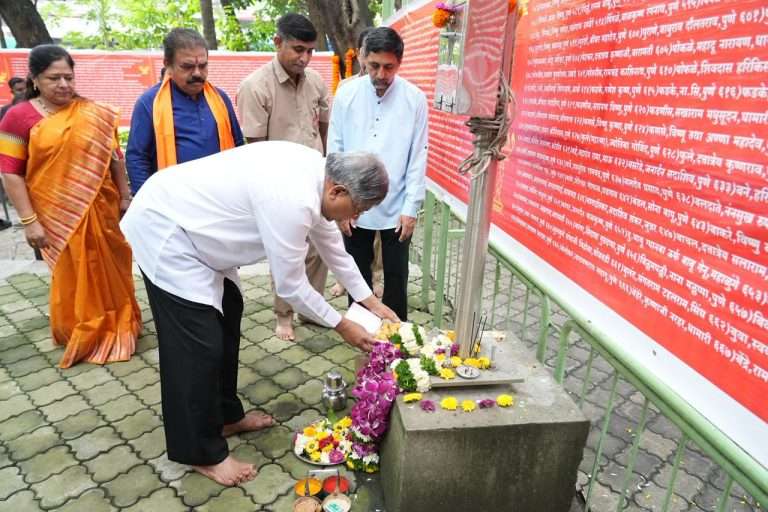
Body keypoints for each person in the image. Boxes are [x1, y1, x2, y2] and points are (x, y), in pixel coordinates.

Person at [120, 141, 397, 486]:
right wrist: (343, 326)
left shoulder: (318, 178)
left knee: (228, 315)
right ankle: (201, 452)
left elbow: (333, 250)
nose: (354, 219)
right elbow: (291, 285)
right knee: (198, 346)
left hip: (202, 238)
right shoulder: (292, 198)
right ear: (338, 190)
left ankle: (223, 416)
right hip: (168, 231)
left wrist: (370, 301)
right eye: (357, 209)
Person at [0, 45, 141, 368]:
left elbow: (114, 157)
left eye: (68, 77)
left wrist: (124, 195)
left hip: (102, 210)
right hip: (56, 214)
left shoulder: (92, 111)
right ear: (35, 79)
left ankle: (120, 325)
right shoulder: (17, 117)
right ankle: (84, 331)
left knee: (111, 266)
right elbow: (10, 173)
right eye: (54, 78)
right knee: (74, 272)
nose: (63, 85)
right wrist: (28, 221)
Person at [237, 13, 331, 341]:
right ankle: (284, 314)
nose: (304, 58)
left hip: (316, 179)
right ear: (277, 42)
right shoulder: (255, 86)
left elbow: (325, 127)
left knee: (319, 247)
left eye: (310, 51)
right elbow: (255, 148)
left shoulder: (315, 82)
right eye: (297, 49)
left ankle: (311, 308)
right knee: (287, 251)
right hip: (278, 184)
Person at [328, 27, 428, 321]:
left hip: (397, 204)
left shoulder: (414, 98)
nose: (381, 74)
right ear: (362, 58)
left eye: (389, 67)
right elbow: (335, 149)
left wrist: (411, 207)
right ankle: (362, 332)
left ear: (399, 63)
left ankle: (397, 337)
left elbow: (418, 155)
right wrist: (339, 204)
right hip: (352, 202)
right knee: (356, 271)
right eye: (374, 66)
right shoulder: (346, 93)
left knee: (397, 273)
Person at [126, 28, 244, 194]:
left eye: (202, 66)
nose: (197, 73)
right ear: (168, 64)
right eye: (187, 66)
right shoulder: (149, 103)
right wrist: (148, 203)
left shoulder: (220, 98)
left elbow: (238, 146)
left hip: (222, 197)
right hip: (174, 200)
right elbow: (137, 158)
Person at [330, 26, 385, 300]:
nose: (376, 69)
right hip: (350, 182)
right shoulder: (347, 89)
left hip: (379, 183)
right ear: (362, 56)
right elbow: (336, 142)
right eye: (370, 59)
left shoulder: (401, 93)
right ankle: (350, 285)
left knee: (378, 242)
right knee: (350, 238)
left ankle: (375, 280)